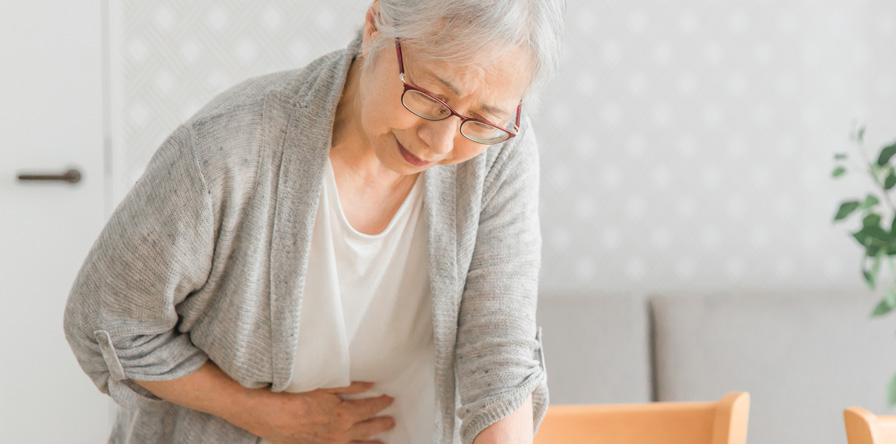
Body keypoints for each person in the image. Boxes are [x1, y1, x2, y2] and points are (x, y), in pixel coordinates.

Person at [62, 0, 563, 442]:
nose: (440, 143)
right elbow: (104, 322)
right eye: (431, 97)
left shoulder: (499, 153)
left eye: (480, 120)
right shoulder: (226, 153)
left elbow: (498, 352)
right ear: (376, 26)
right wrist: (267, 416)